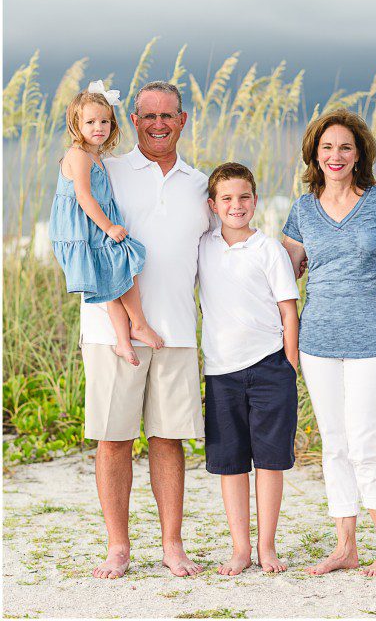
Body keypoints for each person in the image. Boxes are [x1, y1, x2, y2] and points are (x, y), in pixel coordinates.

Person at [79, 81, 211, 579]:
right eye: (148, 115)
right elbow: (85, 231)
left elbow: (225, 250)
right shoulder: (107, 171)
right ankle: (118, 546)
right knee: (113, 440)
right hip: (111, 332)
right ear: (133, 119)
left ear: (183, 119)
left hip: (177, 330)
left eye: (168, 115)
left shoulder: (201, 185)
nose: (158, 124)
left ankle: (172, 546)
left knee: (167, 439)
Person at [281, 108, 376, 576]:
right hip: (318, 341)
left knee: (366, 442)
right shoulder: (301, 208)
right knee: (334, 443)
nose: (336, 155)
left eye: (345, 148)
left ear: (360, 155)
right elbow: (284, 272)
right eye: (328, 147)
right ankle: (345, 546)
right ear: (316, 152)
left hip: (375, 339)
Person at [198, 162, 300, 576]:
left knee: (271, 461)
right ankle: (240, 548)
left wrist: (289, 364)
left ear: (255, 201)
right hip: (221, 372)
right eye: (227, 199)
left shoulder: (268, 249)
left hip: (270, 367)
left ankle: (266, 547)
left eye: (244, 197)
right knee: (231, 463)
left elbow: (288, 310)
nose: (236, 205)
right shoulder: (203, 245)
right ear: (213, 205)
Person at [49, 81, 163, 367]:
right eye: (90, 122)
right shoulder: (78, 155)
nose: (99, 127)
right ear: (76, 124)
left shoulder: (96, 156)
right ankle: (137, 322)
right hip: (84, 227)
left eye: (105, 121)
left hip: (93, 225)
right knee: (123, 262)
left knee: (111, 281)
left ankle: (123, 342)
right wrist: (110, 227)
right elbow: (84, 197)